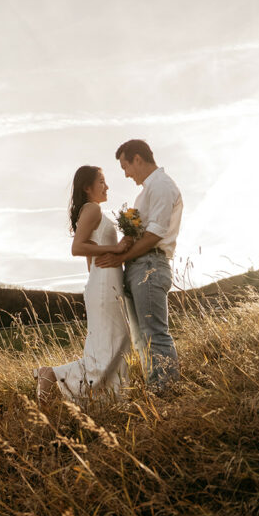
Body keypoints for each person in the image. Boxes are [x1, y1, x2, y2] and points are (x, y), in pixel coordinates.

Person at [35, 165, 136, 404]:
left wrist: (119, 251)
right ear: (87, 187)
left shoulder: (92, 212)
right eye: (101, 181)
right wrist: (116, 248)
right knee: (111, 345)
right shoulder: (92, 209)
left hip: (102, 283)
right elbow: (77, 248)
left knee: (113, 344)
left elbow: (91, 262)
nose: (107, 186)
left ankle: (110, 400)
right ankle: (52, 375)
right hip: (104, 286)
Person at [95, 139, 182, 392]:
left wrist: (120, 258)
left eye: (126, 167)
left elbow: (155, 234)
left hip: (150, 264)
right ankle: (155, 387)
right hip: (138, 266)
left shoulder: (162, 185)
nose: (126, 174)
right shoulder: (145, 192)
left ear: (137, 159)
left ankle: (167, 390)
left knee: (154, 332)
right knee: (141, 337)